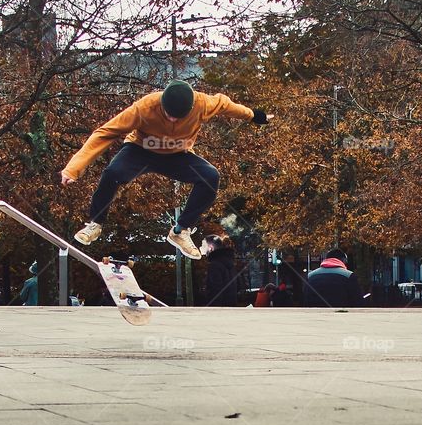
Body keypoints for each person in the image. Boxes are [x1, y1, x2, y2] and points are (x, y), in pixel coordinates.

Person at [61, 79, 271, 260]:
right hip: (140, 150)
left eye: (177, 117)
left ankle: (180, 231)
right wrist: (73, 168)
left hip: (176, 155)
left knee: (210, 176)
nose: (172, 120)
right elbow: (105, 132)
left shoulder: (203, 104)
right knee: (113, 173)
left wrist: (254, 115)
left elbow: (227, 105)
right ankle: (95, 224)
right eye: (168, 115)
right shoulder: (144, 107)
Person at [202, 234, 237, 306]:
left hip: (219, 309)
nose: (200, 248)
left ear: (210, 248)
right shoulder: (229, 262)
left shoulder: (214, 265)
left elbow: (215, 290)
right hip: (231, 305)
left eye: (203, 246)